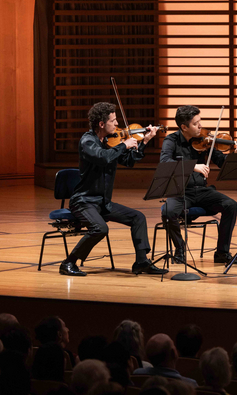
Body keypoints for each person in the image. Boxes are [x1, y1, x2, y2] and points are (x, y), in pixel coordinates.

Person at [59, 102, 165, 276]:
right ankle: (68, 263)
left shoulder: (110, 143)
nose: (117, 125)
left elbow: (129, 161)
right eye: (113, 121)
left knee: (138, 217)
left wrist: (144, 141)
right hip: (83, 201)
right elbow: (102, 158)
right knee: (100, 228)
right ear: (101, 124)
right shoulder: (88, 141)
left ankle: (141, 262)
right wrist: (124, 145)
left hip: (102, 203)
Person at [160, 105, 237, 265]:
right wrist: (192, 166)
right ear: (184, 127)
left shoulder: (206, 140)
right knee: (167, 211)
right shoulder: (171, 140)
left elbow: (222, 163)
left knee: (230, 205)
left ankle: (222, 252)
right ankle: (180, 249)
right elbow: (165, 162)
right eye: (195, 123)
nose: (200, 126)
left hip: (201, 191)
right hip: (180, 192)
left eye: (200, 121)